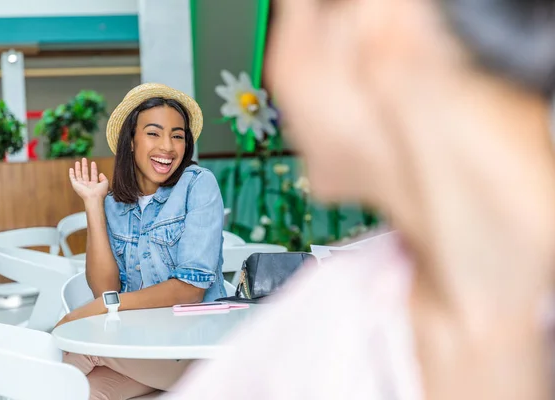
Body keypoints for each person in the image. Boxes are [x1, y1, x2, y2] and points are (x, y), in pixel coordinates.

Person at [164, 0, 555, 399]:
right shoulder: (338, 312)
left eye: (284, 16)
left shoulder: (334, 318)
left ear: (370, 15)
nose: (271, 76)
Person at [58, 83, 226, 399]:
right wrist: (94, 204)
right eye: (153, 133)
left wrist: (92, 311)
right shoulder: (114, 204)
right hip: (140, 345)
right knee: (83, 392)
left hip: (193, 349)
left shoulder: (198, 185)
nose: (168, 146)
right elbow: (104, 290)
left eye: (177, 135)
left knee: (75, 357)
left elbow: (190, 289)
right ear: (131, 142)